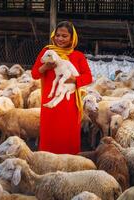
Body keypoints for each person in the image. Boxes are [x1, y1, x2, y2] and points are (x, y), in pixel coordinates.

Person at [31, 21, 93, 155]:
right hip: (50, 102)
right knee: (50, 133)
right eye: (58, 35)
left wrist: (74, 79)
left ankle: (69, 166)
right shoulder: (47, 52)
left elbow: (88, 77)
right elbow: (35, 74)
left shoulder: (78, 56)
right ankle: (47, 163)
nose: (60, 39)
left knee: (67, 134)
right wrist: (45, 67)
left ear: (72, 38)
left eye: (64, 36)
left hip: (69, 104)